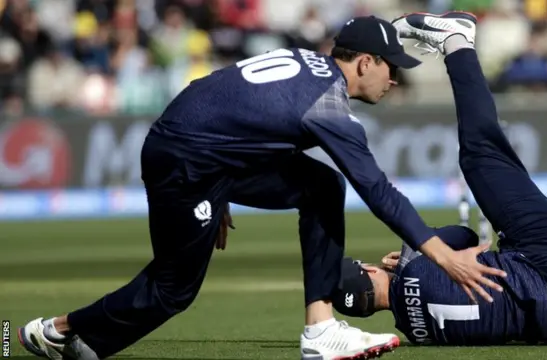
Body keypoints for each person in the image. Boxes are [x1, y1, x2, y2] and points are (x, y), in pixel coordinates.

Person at [17, 15, 507, 360]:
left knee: (320, 185)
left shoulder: (303, 63)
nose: (395, 80)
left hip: (199, 154)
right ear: (363, 63)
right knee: (173, 290)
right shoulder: (328, 104)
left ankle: (320, 328)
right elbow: (378, 191)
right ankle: (56, 329)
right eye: (391, 67)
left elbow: (223, 93)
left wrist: (225, 171)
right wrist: (444, 256)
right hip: (184, 165)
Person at [330, 12, 547, 347]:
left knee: (516, 253)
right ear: (370, 272)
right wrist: (413, 253)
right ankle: (456, 41)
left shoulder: (416, 334)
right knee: (480, 156)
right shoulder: (414, 264)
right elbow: (464, 235)